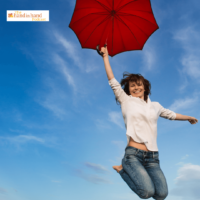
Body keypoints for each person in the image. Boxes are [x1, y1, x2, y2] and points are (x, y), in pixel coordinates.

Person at [97, 44, 198, 200]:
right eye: (132, 86)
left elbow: (171, 114)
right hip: (133, 155)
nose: (136, 87)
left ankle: (128, 170)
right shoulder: (125, 100)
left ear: (145, 87)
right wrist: (105, 57)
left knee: (161, 195)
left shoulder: (155, 106)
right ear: (128, 89)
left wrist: (189, 117)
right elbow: (112, 80)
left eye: (138, 84)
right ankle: (123, 170)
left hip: (153, 157)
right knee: (146, 193)